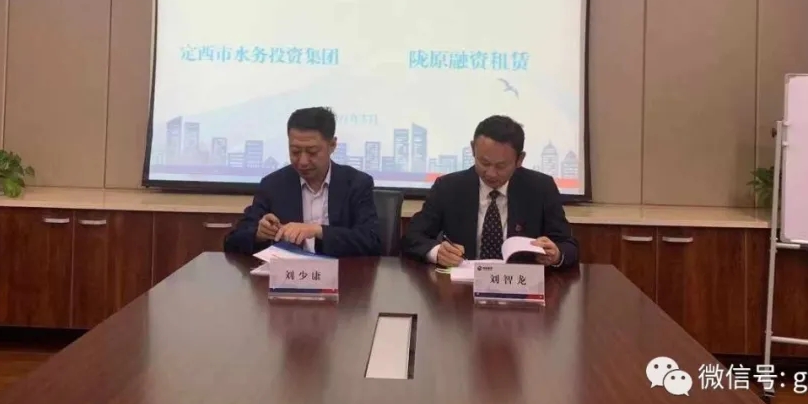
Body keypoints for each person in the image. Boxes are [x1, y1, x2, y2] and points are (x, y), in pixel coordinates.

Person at [401, 115, 579, 268]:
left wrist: (556, 254)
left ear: (520, 159)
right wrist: (437, 252)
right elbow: (413, 236)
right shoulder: (448, 187)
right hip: (462, 288)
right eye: (484, 163)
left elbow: (569, 246)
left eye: (501, 166)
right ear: (473, 149)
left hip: (521, 287)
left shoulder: (540, 188)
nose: (491, 173)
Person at [224, 107, 382, 257]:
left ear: (332, 145)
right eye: (295, 152)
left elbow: (371, 241)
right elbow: (232, 241)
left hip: (342, 274)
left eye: (312, 152)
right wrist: (258, 234)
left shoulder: (356, 184)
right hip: (288, 274)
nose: (303, 161)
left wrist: (318, 231)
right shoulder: (273, 185)